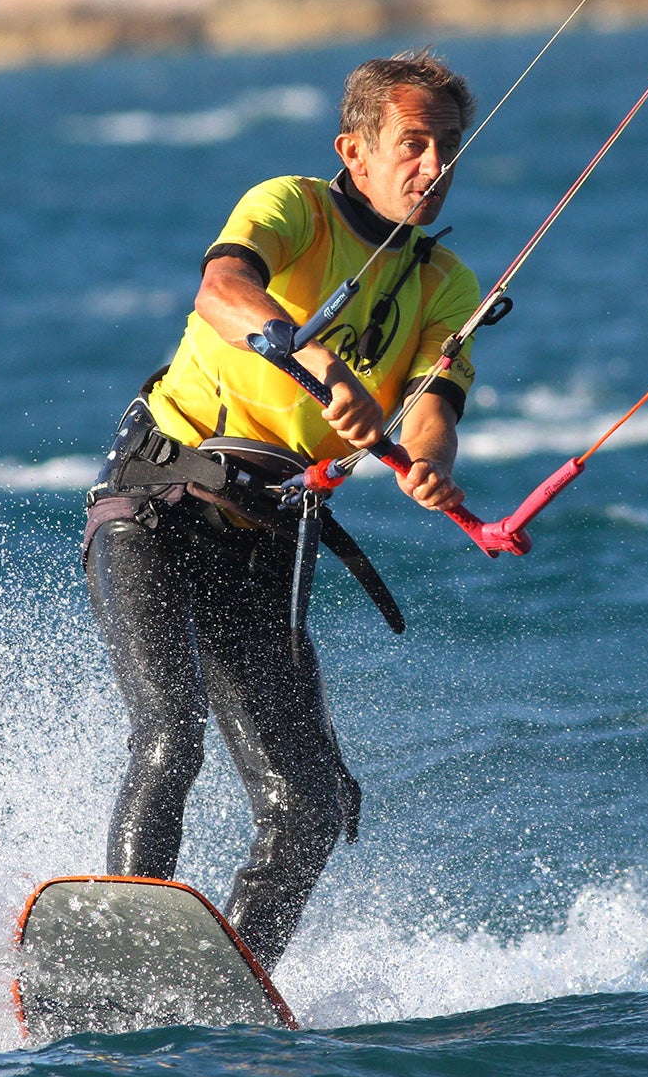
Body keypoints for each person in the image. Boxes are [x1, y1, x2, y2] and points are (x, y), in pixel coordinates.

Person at [81, 49, 484, 967]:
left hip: (270, 537)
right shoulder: (292, 207)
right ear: (357, 149)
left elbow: (432, 411)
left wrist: (425, 467)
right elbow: (222, 291)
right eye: (413, 145)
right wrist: (314, 360)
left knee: (310, 806)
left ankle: (231, 980)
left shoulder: (442, 284)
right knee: (169, 734)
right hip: (160, 498)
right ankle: (117, 957)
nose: (433, 168)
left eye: (450, 149)